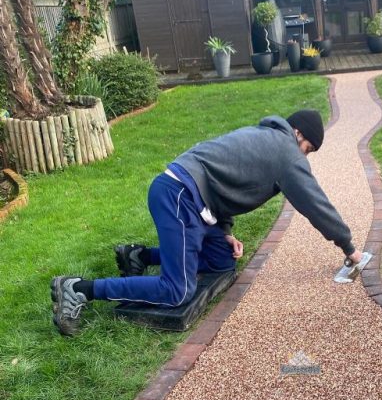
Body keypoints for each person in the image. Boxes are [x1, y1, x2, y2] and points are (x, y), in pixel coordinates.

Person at [51, 110, 363, 336]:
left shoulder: (266, 139)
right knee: (178, 290)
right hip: (179, 196)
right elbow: (317, 206)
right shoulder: (286, 153)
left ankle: (140, 256)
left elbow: (226, 180)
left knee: (221, 261)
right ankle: (79, 289)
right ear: (298, 134)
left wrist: (224, 233)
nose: (304, 159)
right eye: (307, 149)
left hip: (194, 198)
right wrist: (349, 247)